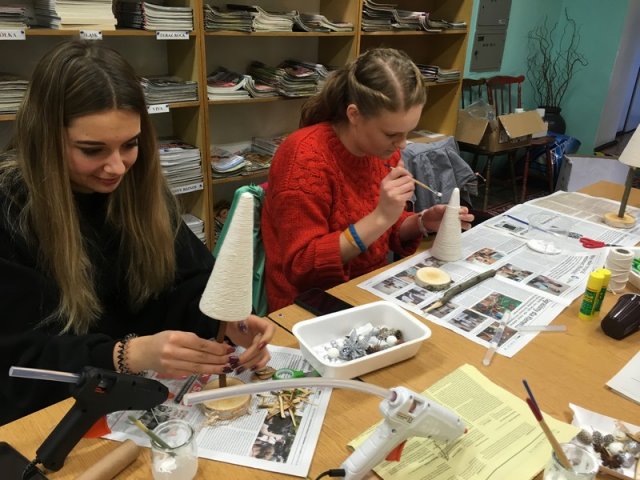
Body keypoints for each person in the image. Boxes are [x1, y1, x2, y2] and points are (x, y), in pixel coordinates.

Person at [0, 40, 275, 425]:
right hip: (58, 413)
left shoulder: (140, 191)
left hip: (150, 399)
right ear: (46, 138)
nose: (116, 167)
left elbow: (183, 284)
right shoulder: (11, 210)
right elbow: (20, 360)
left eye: (129, 145)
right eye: (92, 150)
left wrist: (225, 320)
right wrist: (125, 355)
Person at [261, 48, 474, 311]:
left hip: (368, 287)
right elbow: (302, 267)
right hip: (307, 303)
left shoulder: (382, 150)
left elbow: (383, 230)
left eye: (408, 131)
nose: (402, 144)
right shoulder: (304, 159)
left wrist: (420, 222)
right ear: (354, 115)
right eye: (391, 134)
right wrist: (381, 216)